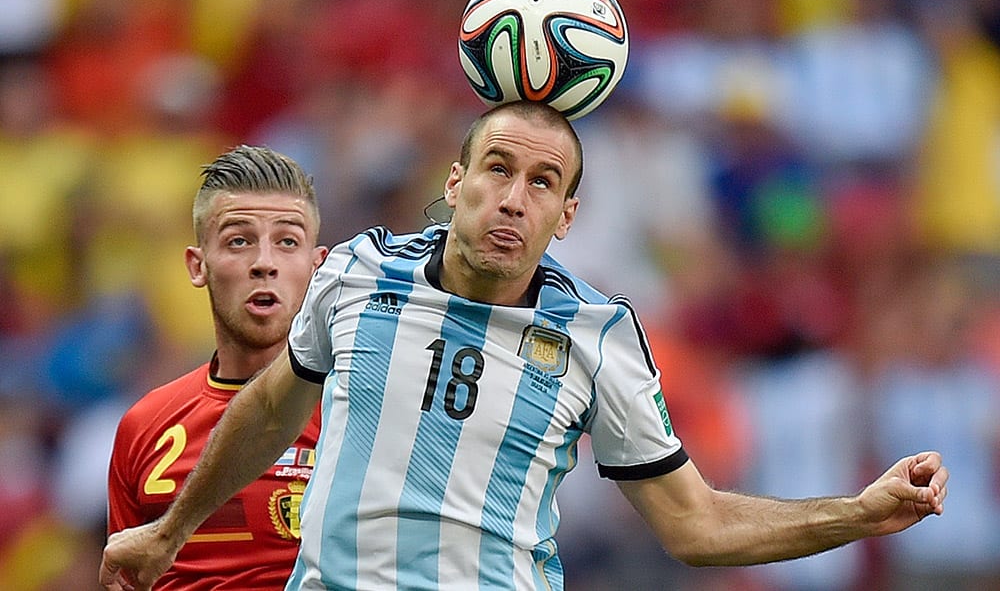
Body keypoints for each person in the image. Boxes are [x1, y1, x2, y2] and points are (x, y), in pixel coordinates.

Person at [100, 101, 948, 591]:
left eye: (542, 183)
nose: (514, 199)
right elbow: (268, 412)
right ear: (454, 184)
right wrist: (171, 531)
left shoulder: (598, 337)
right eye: (497, 170)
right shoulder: (356, 273)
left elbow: (699, 525)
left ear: (567, 217)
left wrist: (862, 511)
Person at [104, 145, 328, 589]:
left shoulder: (356, 412)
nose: (264, 263)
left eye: (287, 242)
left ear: (317, 266)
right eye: (239, 241)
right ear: (197, 264)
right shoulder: (144, 425)